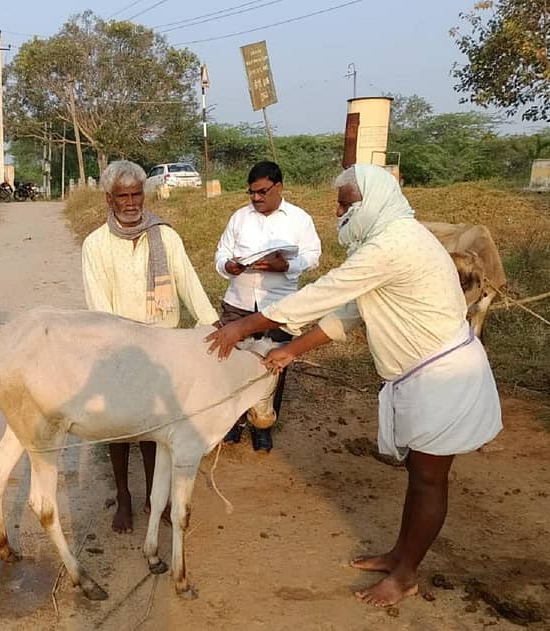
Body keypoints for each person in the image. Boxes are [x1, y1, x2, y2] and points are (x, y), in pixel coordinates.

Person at [205, 164, 502, 607]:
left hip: (445, 378)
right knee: (419, 476)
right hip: (424, 377)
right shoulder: (389, 241)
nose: (340, 212)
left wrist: (242, 327)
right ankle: (400, 555)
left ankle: (405, 576)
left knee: (428, 480)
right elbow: (351, 311)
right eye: (339, 203)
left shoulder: (393, 245)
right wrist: (293, 350)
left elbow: (322, 294)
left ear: (374, 201)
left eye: (347, 203)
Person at [82, 160, 220, 533]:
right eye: (123, 196)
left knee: (156, 429)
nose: (131, 202)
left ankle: (152, 496)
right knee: (118, 428)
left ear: (145, 193)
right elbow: (99, 306)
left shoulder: (165, 236)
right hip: (118, 348)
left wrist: (212, 324)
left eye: (136, 194)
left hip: (163, 344)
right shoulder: (95, 244)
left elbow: (187, 281)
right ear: (109, 199)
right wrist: (118, 347)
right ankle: (124, 497)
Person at [214, 161, 321, 450]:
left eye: (262, 192)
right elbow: (222, 251)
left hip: (280, 305)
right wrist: (228, 265)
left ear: (279, 187)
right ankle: (233, 422)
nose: (256, 198)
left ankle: (263, 425)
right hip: (238, 302)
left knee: (274, 363)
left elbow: (313, 256)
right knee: (232, 362)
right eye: (251, 193)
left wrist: (287, 265)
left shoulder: (299, 219)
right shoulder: (239, 217)